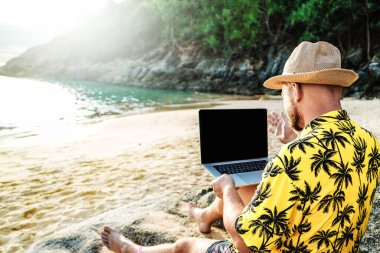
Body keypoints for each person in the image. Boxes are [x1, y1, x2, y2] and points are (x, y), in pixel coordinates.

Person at [100, 41, 380, 253]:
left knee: (185, 245)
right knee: (250, 186)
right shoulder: (369, 142)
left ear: (295, 89)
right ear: (338, 89)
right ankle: (204, 215)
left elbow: (246, 242)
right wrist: (292, 141)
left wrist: (228, 191)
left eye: (283, 91)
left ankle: (131, 249)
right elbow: (321, 176)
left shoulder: (295, 158)